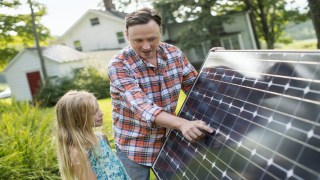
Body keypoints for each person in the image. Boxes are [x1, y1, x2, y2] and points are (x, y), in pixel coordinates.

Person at [108, 7, 215, 180]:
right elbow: (143, 107)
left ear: (160, 31)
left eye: (152, 38)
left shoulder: (174, 54)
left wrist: (216, 64)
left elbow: (197, 89)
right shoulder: (118, 66)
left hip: (168, 142)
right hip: (134, 146)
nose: (146, 46)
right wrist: (182, 124)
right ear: (126, 35)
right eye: (138, 40)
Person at [55, 90, 129, 180]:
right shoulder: (77, 152)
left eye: (98, 109)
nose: (101, 113)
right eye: (94, 112)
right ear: (77, 120)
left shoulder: (101, 137)